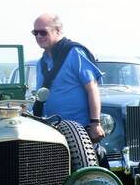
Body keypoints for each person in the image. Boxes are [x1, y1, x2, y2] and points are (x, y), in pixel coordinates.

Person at [30, 12, 105, 142]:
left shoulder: (74, 53)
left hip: (78, 131)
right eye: (35, 33)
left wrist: (95, 123)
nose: (38, 36)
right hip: (49, 131)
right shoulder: (40, 63)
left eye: (43, 32)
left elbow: (92, 88)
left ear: (58, 30)